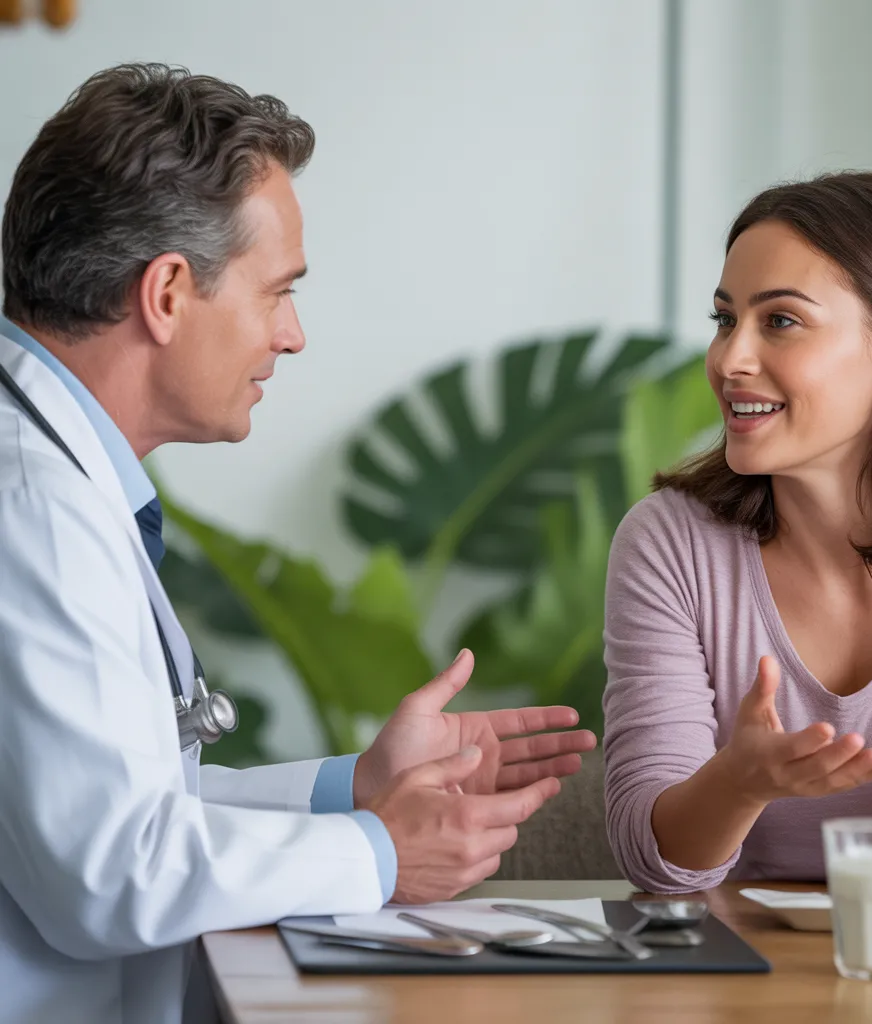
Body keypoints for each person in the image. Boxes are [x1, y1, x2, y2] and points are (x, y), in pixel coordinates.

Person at [0, 64, 596, 1024]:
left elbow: (135, 809)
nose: (293, 335)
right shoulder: (31, 508)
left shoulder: (50, 476)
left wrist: (354, 789)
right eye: (276, 292)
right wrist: (380, 852)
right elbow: (110, 874)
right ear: (165, 294)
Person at [602, 171, 872, 894]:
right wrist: (738, 781)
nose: (729, 360)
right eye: (724, 319)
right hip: (745, 988)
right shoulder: (670, 544)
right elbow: (655, 864)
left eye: (781, 321)